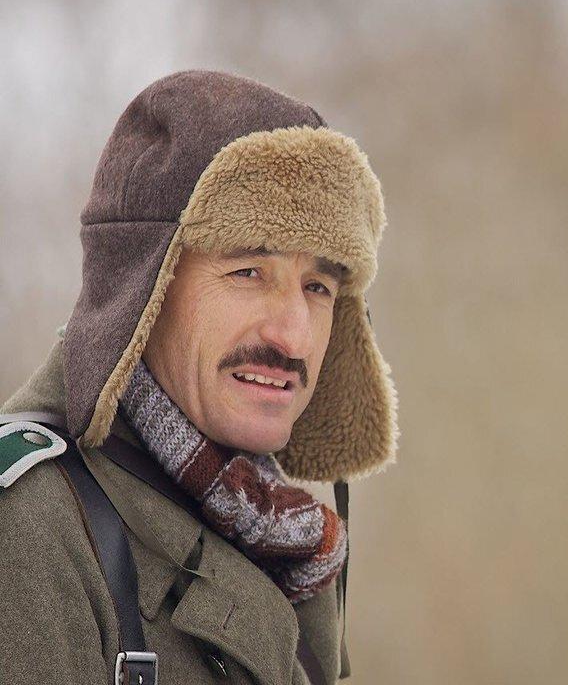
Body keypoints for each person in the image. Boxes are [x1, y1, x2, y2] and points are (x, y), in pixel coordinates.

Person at [0, 70, 397, 684]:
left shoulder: (284, 540)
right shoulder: (29, 527)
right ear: (145, 291)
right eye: (248, 273)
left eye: (318, 286)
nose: (293, 337)